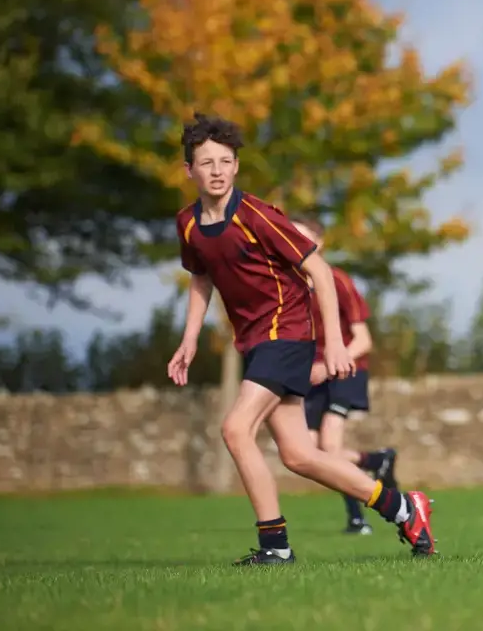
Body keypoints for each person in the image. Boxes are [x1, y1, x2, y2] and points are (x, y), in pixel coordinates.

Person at [167, 113, 434, 563]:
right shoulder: (188, 225)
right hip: (256, 342)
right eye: (206, 162)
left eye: (225, 161)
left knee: (235, 429)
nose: (216, 170)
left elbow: (320, 271)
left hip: (286, 332)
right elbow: (200, 279)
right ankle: (404, 507)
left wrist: (332, 343)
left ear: (236, 166)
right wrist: (189, 339)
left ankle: (275, 547)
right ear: (188, 170)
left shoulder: (256, 215)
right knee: (298, 455)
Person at [290, 216, 400, 536]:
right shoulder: (288, 285)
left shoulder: (337, 281)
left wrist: (331, 364)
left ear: (318, 243)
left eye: (302, 237)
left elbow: (364, 340)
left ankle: (357, 518)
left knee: (330, 443)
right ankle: (376, 459)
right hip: (312, 376)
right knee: (309, 450)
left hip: (345, 371)